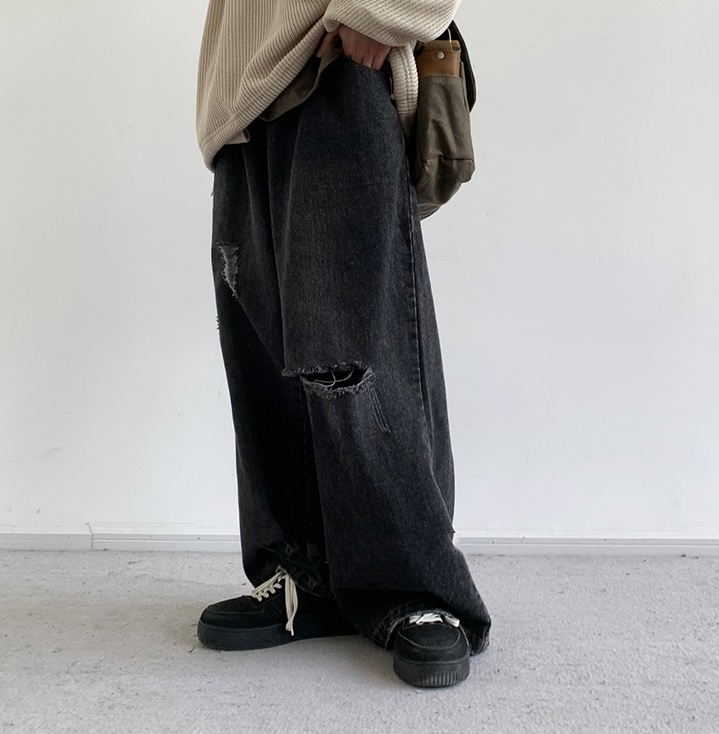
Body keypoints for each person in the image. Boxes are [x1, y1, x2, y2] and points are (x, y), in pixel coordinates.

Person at [194, 0, 491, 688]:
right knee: (266, 360)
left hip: (334, 64)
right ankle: (304, 575)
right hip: (241, 102)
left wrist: (383, 10)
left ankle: (416, 589)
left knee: (357, 357)